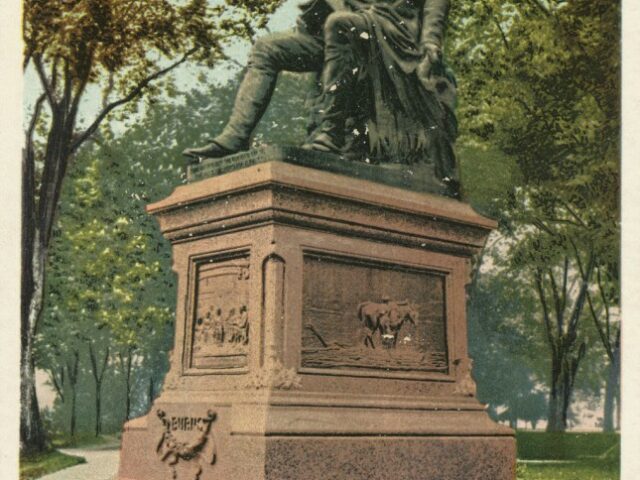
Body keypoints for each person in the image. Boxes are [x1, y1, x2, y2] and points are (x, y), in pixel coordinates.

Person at [183, 0, 458, 195]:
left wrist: (431, 43)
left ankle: (330, 134)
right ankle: (235, 136)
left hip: (388, 32)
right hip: (336, 31)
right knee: (267, 48)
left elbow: (436, 5)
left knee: (339, 25)